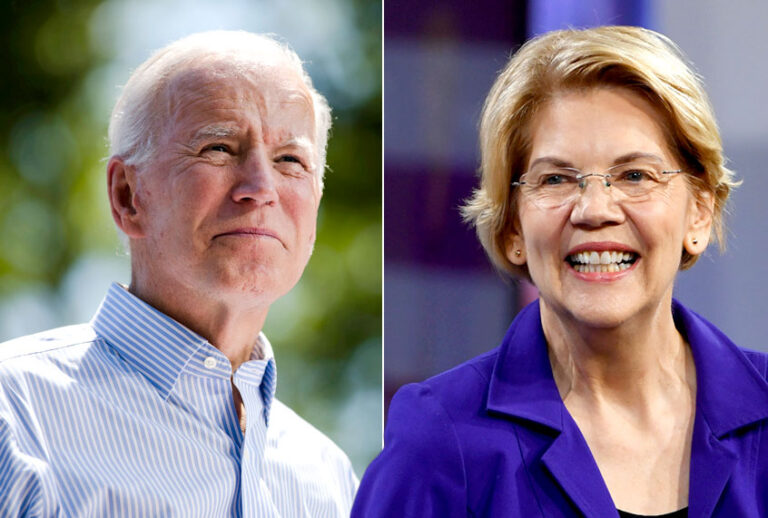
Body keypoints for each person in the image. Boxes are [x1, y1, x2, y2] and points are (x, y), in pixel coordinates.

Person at [354, 26, 768, 517]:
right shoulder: (441, 440)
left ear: (699, 212)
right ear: (511, 226)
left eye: (635, 175)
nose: (594, 209)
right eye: (556, 179)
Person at [0, 31, 358, 516]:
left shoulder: (332, 481)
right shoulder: (15, 415)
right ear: (128, 196)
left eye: (290, 161)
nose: (260, 188)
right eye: (218, 148)